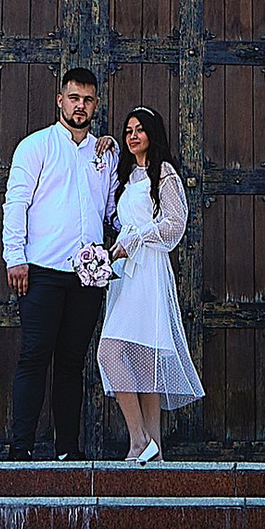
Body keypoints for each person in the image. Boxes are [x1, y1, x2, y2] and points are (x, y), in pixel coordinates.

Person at [1, 66, 116, 460]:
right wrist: (15, 258)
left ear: (95, 104)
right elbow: (16, 203)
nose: (79, 106)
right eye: (73, 98)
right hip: (42, 272)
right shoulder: (35, 147)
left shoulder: (106, 153)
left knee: (72, 362)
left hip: (88, 276)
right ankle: (22, 448)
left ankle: (68, 449)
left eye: (87, 100)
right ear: (60, 100)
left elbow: (112, 211)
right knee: (34, 355)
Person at [97, 105, 202, 462]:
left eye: (139, 129)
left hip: (149, 272)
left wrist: (139, 238)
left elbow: (176, 223)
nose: (132, 136)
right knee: (129, 357)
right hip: (125, 275)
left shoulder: (165, 174)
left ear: (152, 134)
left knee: (124, 353)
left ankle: (141, 442)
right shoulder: (127, 178)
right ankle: (150, 448)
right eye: (128, 130)